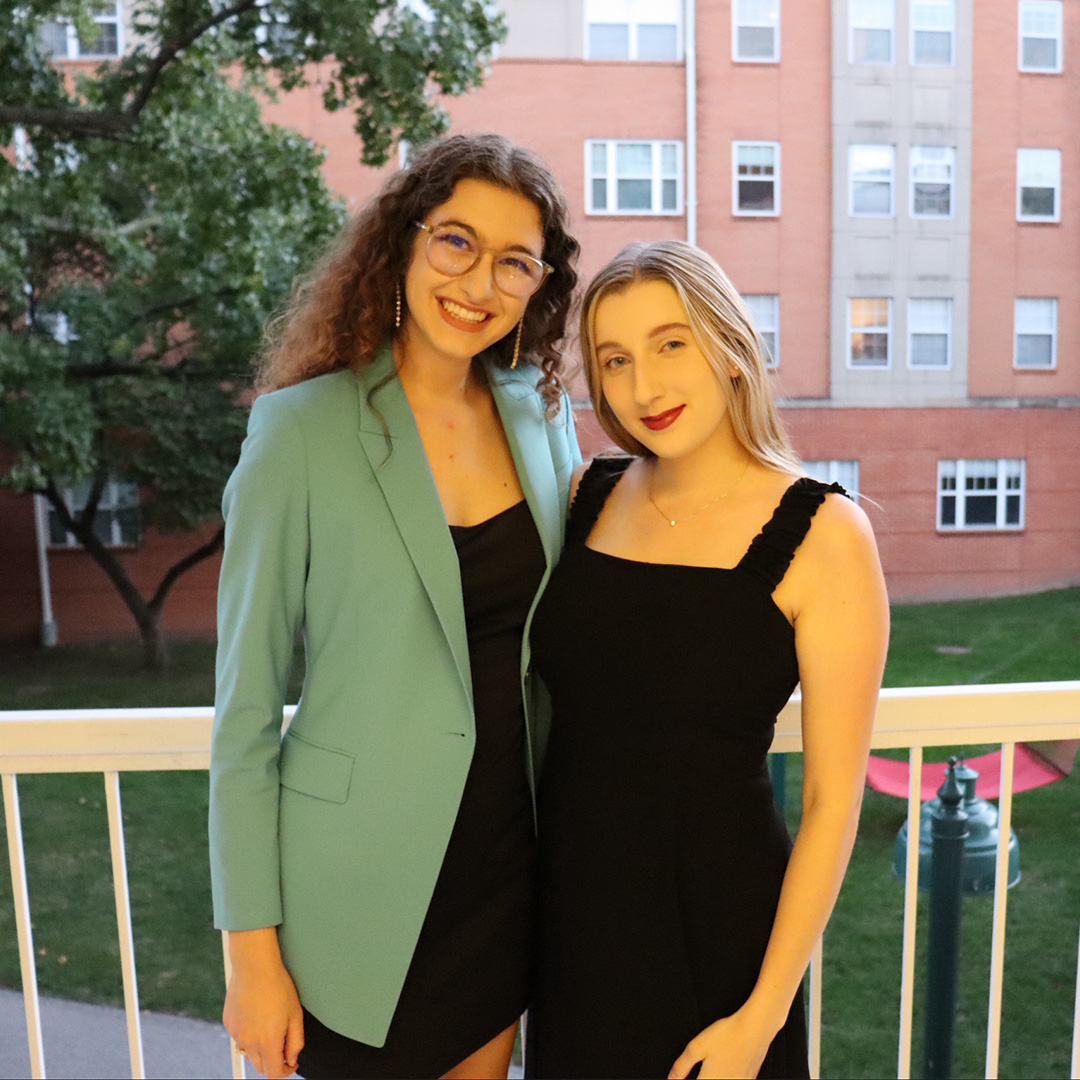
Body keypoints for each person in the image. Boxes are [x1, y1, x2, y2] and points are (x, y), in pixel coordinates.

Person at [209, 134, 581, 1080]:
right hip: (353, 896)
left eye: (515, 261)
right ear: (404, 243)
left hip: (505, 870)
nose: (480, 282)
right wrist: (251, 956)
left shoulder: (542, 419)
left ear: (538, 283)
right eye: (456, 242)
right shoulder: (298, 433)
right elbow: (244, 719)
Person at [525, 240, 889, 1080]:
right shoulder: (588, 497)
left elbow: (834, 805)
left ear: (728, 347)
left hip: (717, 940)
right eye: (614, 360)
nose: (644, 387)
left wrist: (759, 1020)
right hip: (575, 926)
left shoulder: (825, 534)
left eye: (670, 343)